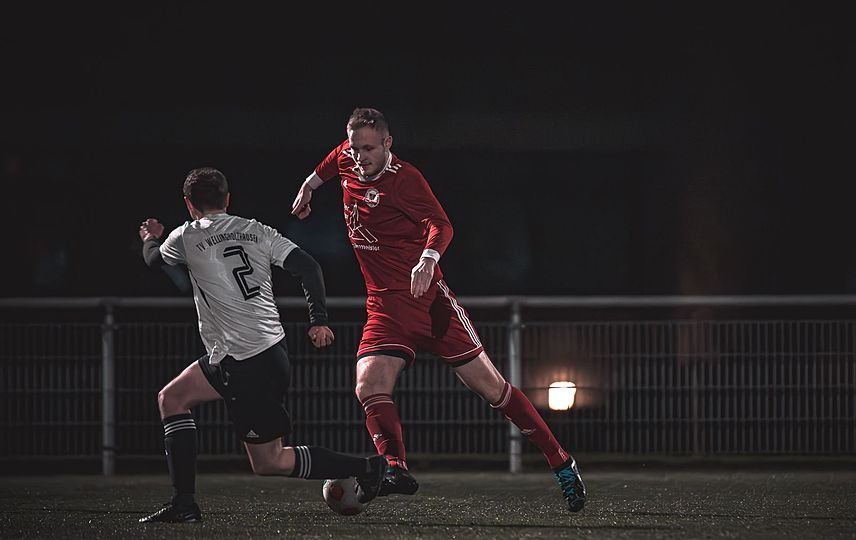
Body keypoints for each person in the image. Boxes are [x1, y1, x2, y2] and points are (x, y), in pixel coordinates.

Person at [290, 108, 586, 512]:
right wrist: (308, 187)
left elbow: (441, 224)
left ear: (388, 144)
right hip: (384, 307)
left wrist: (428, 259)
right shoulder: (348, 155)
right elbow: (329, 163)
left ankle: (562, 463)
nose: (360, 156)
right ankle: (395, 468)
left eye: (369, 149)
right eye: (356, 148)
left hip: (429, 303)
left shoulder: (405, 179)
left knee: (494, 390)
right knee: (368, 385)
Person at [137, 167, 387, 523]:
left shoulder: (186, 236)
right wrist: (318, 320)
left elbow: (152, 259)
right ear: (227, 199)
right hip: (250, 355)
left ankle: (368, 467)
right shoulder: (257, 230)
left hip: (247, 364)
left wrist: (151, 236)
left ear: (188, 203)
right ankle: (184, 504)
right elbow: (309, 268)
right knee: (172, 399)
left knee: (271, 462)